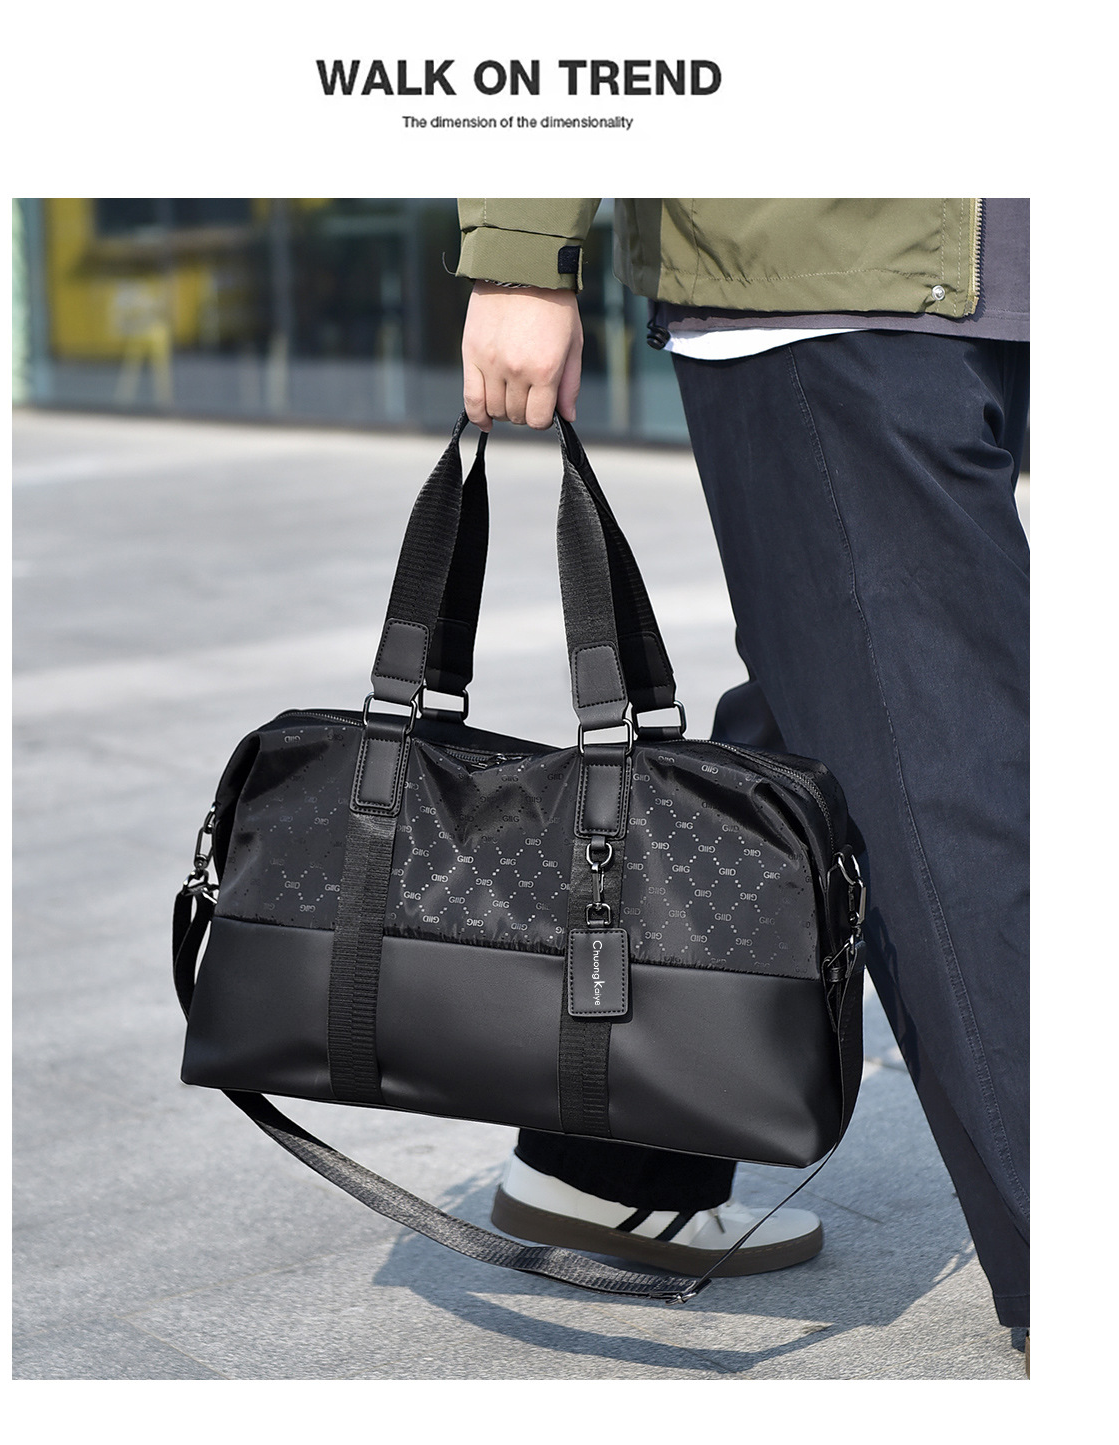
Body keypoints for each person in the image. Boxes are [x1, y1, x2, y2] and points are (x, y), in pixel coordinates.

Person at [454, 199, 1029, 1342]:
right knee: (955, 766)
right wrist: (521, 251)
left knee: (852, 707)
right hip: (831, 260)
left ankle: (618, 1151)